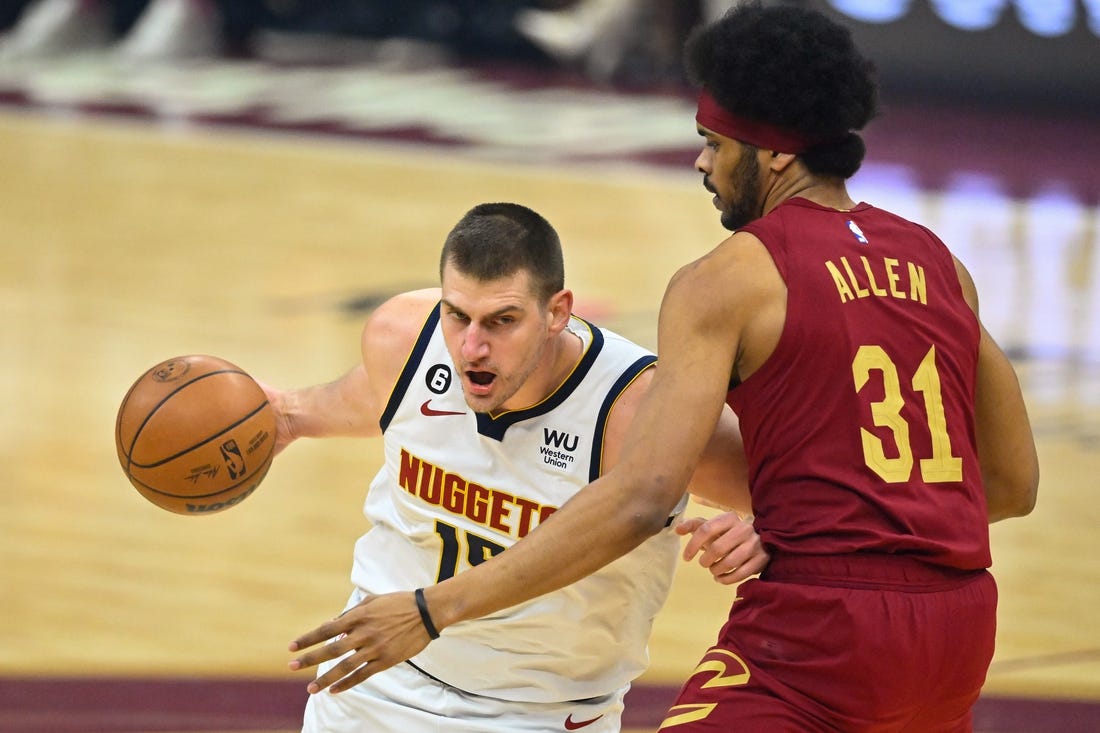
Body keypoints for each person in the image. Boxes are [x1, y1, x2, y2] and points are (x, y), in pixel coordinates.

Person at [286, 4, 1040, 731]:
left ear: (773, 151)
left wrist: (429, 610)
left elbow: (642, 499)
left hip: (824, 630)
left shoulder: (728, 278)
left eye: (716, 142)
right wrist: (818, 526)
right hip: (961, 627)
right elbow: (1009, 483)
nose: (702, 161)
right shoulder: (939, 263)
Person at [266, 201, 766, 732]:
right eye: (457, 315)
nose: (472, 347)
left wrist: (763, 531)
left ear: (557, 312)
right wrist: (280, 417)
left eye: (502, 321)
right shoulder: (406, 338)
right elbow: (358, 402)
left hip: (538, 713)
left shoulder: (638, 405)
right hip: (372, 682)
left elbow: (820, 504)